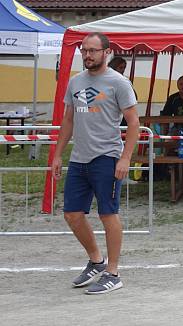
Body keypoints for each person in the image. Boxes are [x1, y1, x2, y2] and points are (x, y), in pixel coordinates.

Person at [51, 32, 139, 294]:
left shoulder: (119, 83)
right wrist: (57, 154)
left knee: (107, 214)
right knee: (72, 214)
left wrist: (125, 158)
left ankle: (113, 273)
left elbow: (133, 123)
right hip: (80, 158)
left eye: (92, 50)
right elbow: (69, 120)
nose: (87, 55)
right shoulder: (76, 82)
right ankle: (96, 261)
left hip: (107, 157)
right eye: (84, 50)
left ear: (106, 52)